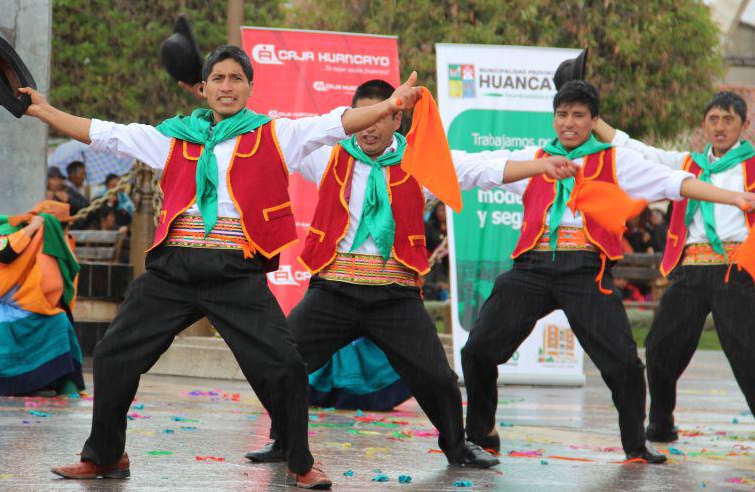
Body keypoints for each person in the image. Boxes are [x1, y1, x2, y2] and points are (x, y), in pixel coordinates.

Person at [22, 45, 422, 488]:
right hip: (173, 268)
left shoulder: (275, 134)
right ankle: (106, 455)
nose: (227, 86)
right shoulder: (174, 136)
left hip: (236, 269)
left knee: (286, 365)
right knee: (115, 354)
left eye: (236, 78)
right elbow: (105, 133)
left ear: (250, 87)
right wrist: (45, 111)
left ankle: (300, 460)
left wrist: (391, 105)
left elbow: (336, 123)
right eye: (219, 78)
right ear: (203, 88)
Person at [245, 79, 582, 469]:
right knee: (283, 361)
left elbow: (482, 168)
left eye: (382, 116)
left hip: (394, 296)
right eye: (364, 118)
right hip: (333, 291)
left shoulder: (423, 163)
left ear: (397, 119)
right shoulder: (326, 156)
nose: (370, 127)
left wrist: (540, 165)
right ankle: (284, 441)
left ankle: (458, 446)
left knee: (438, 378)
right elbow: (274, 139)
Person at [460, 81, 755, 464]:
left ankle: (636, 444)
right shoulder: (533, 157)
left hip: (586, 269)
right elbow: (479, 168)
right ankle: (481, 434)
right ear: (554, 118)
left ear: (593, 121)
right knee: (478, 350)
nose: (569, 122)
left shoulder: (615, 160)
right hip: (531, 267)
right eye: (562, 114)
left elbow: (674, 183)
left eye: (579, 115)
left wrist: (732, 196)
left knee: (626, 364)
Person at [594, 91, 755, 443]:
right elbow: (636, 150)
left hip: (735, 270)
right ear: (703, 124)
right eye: (713, 119)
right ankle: (661, 420)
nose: (720, 127)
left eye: (729, 120)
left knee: (748, 351)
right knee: (659, 346)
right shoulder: (686, 164)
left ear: (744, 125)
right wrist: (595, 123)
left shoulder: (753, 164)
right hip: (690, 270)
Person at [0, 201, 84, 397]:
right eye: (58, 226)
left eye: (63, 227)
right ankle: (23, 381)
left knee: (60, 321)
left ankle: (63, 385)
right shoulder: (4, 235)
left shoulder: (53, 249)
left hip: (26, 310)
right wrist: (32, 228)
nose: (61, 232)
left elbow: (58, 288)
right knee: (57, 322)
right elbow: (3, 253)